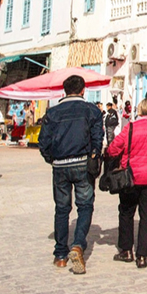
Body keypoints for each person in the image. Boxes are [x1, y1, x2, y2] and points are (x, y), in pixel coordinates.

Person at [37, 75, 104, 275]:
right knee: (84, 206)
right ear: (83, 90)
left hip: (60, 167)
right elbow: (97, 139)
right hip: (83, 164)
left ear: (64, 91)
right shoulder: (92, 110)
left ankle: (60, 255)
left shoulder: (53, 112)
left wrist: (52, 158)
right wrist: (94, 156)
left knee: (62, 209)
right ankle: (77, 245)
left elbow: (43, 142)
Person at [108, 98, 147, 269]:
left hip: (131, 176)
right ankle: (142, 255)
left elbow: (113, 148)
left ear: (140, 111)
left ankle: (126, 250)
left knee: (126, 212)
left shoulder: (131, 127)